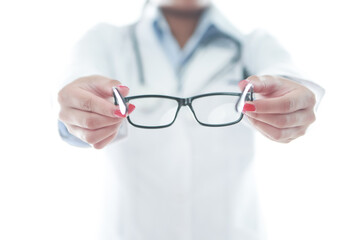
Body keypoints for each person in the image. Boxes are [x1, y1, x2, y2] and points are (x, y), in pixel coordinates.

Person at [57, 0, 324, 239]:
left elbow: (286, 75)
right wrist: (80, 115)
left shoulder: (252, 45)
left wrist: (292, 105)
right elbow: (74, 90)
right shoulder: (107, 41)